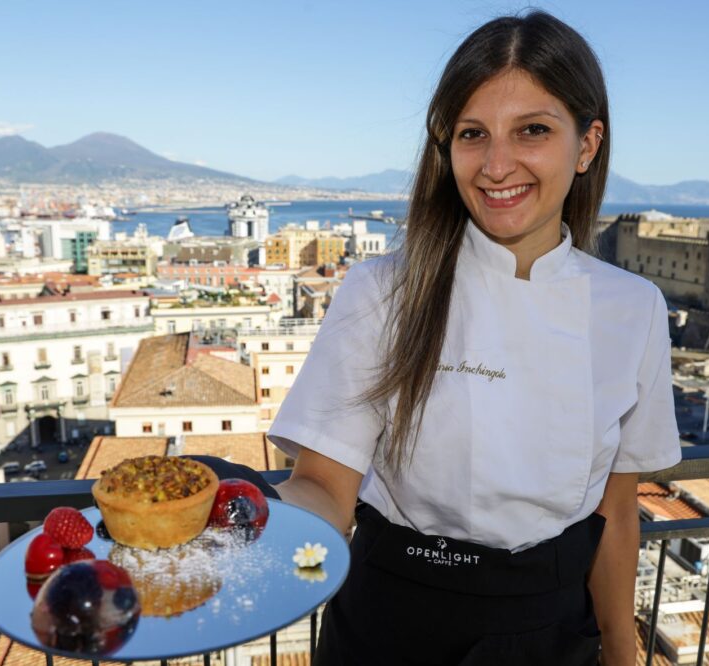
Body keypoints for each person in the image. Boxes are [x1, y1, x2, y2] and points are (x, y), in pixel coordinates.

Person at [208, 10, 681, 665]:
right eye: (472, 134)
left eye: (533, 131)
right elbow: (323, 488)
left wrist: (623, 655)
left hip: (552, 632)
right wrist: (233, 513)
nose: (495, 164)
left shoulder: (633, 309)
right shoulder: (382, 291)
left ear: (588, 144)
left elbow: (617, 514)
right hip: (394, 624)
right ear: (447, 147)